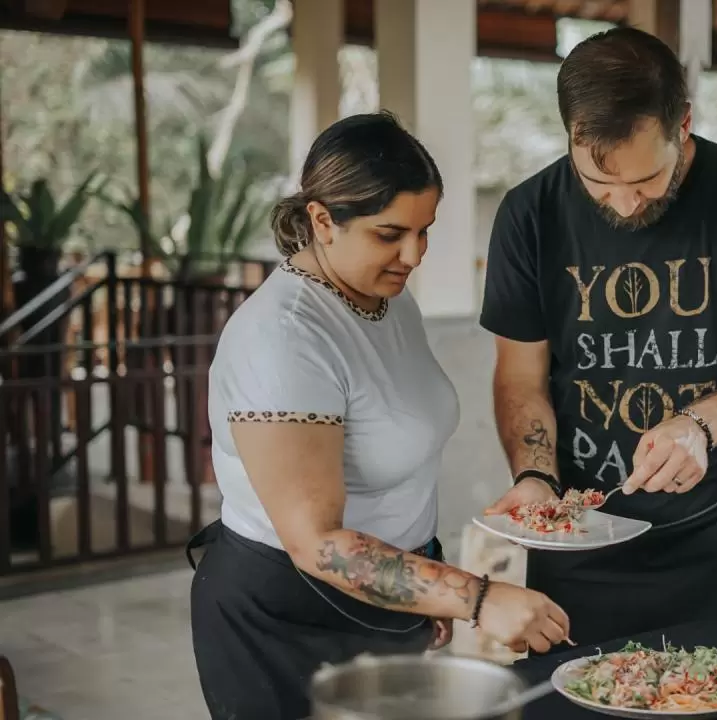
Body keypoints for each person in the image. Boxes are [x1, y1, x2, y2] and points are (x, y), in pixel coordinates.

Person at [188, 112, 570, 720]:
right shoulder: (284, 339)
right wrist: (474, 597)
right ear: (322, 221)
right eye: (390, 233)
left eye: (425, 230)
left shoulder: (383, 299)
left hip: (377, 595)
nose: (413, 254)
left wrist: (425, 585)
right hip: (290, 617)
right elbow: (320, 547)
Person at [481, 27, 717, 647]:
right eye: (599, 183)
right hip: (578, 533)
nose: (626, 205)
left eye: (646, 181)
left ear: (683, 124)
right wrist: (537, 480)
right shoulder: (528, 215)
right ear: (572, 137)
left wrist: (699, 425)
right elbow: (520, 377)